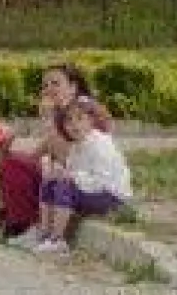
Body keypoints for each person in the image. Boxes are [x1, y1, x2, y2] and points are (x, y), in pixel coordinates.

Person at [19, 101, 133, 256]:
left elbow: (101, 182)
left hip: (111, 196)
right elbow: (74, 171)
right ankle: (44, 233)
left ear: (90, 121)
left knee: (65, 186)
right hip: (91, 191)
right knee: (50, 182)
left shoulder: (101, 144)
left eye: (80, 119)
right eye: (69, 121)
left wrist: (70, 176)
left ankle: (57, 240)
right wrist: (59, 172)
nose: (74, 125)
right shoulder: (77, 146)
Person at [0, 121, 41, 240]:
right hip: (30, 209)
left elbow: (16, 195)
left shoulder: (8, 166)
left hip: (25, 216)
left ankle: (21, 229)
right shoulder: (16, 159)